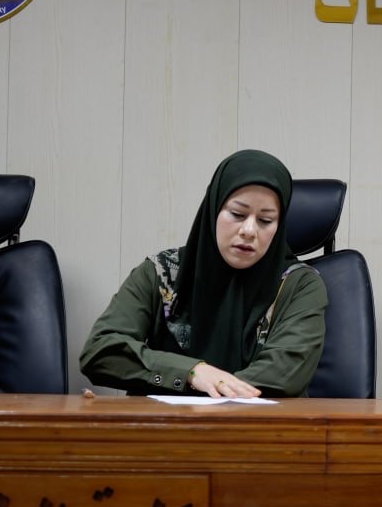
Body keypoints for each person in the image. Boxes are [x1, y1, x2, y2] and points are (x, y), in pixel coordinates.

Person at [80, 149, 328, 398]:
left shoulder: (299, 285)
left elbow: (284, 374)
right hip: (163, 423)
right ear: (213, 209)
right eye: (237, 214)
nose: (249, 230)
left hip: (260, 422)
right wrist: (192, 372)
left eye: (265, 220)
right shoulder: (161, 272)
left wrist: (192, 382)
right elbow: (100, 351)